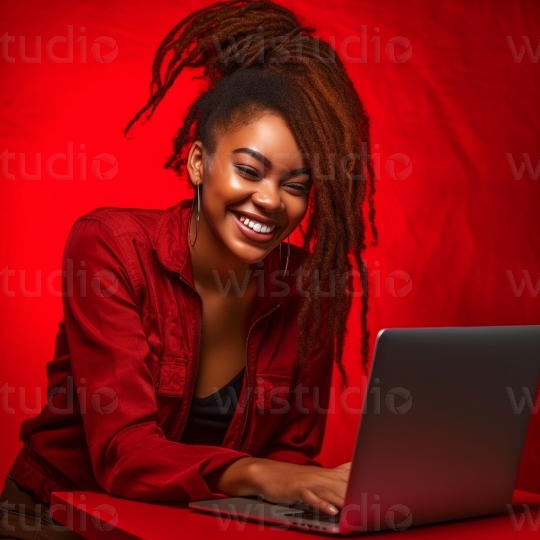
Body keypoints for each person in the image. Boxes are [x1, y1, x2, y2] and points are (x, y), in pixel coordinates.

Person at [0, 0, 378, 537]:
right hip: (58, 516)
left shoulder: (311, 286)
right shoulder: (110, 246)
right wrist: (260, 474)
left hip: (191, 525)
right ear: (199, 163)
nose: (270, 200)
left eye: (295, 185)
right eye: (249, 170)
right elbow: (123, 454)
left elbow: (289, 453)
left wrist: (314, 490)